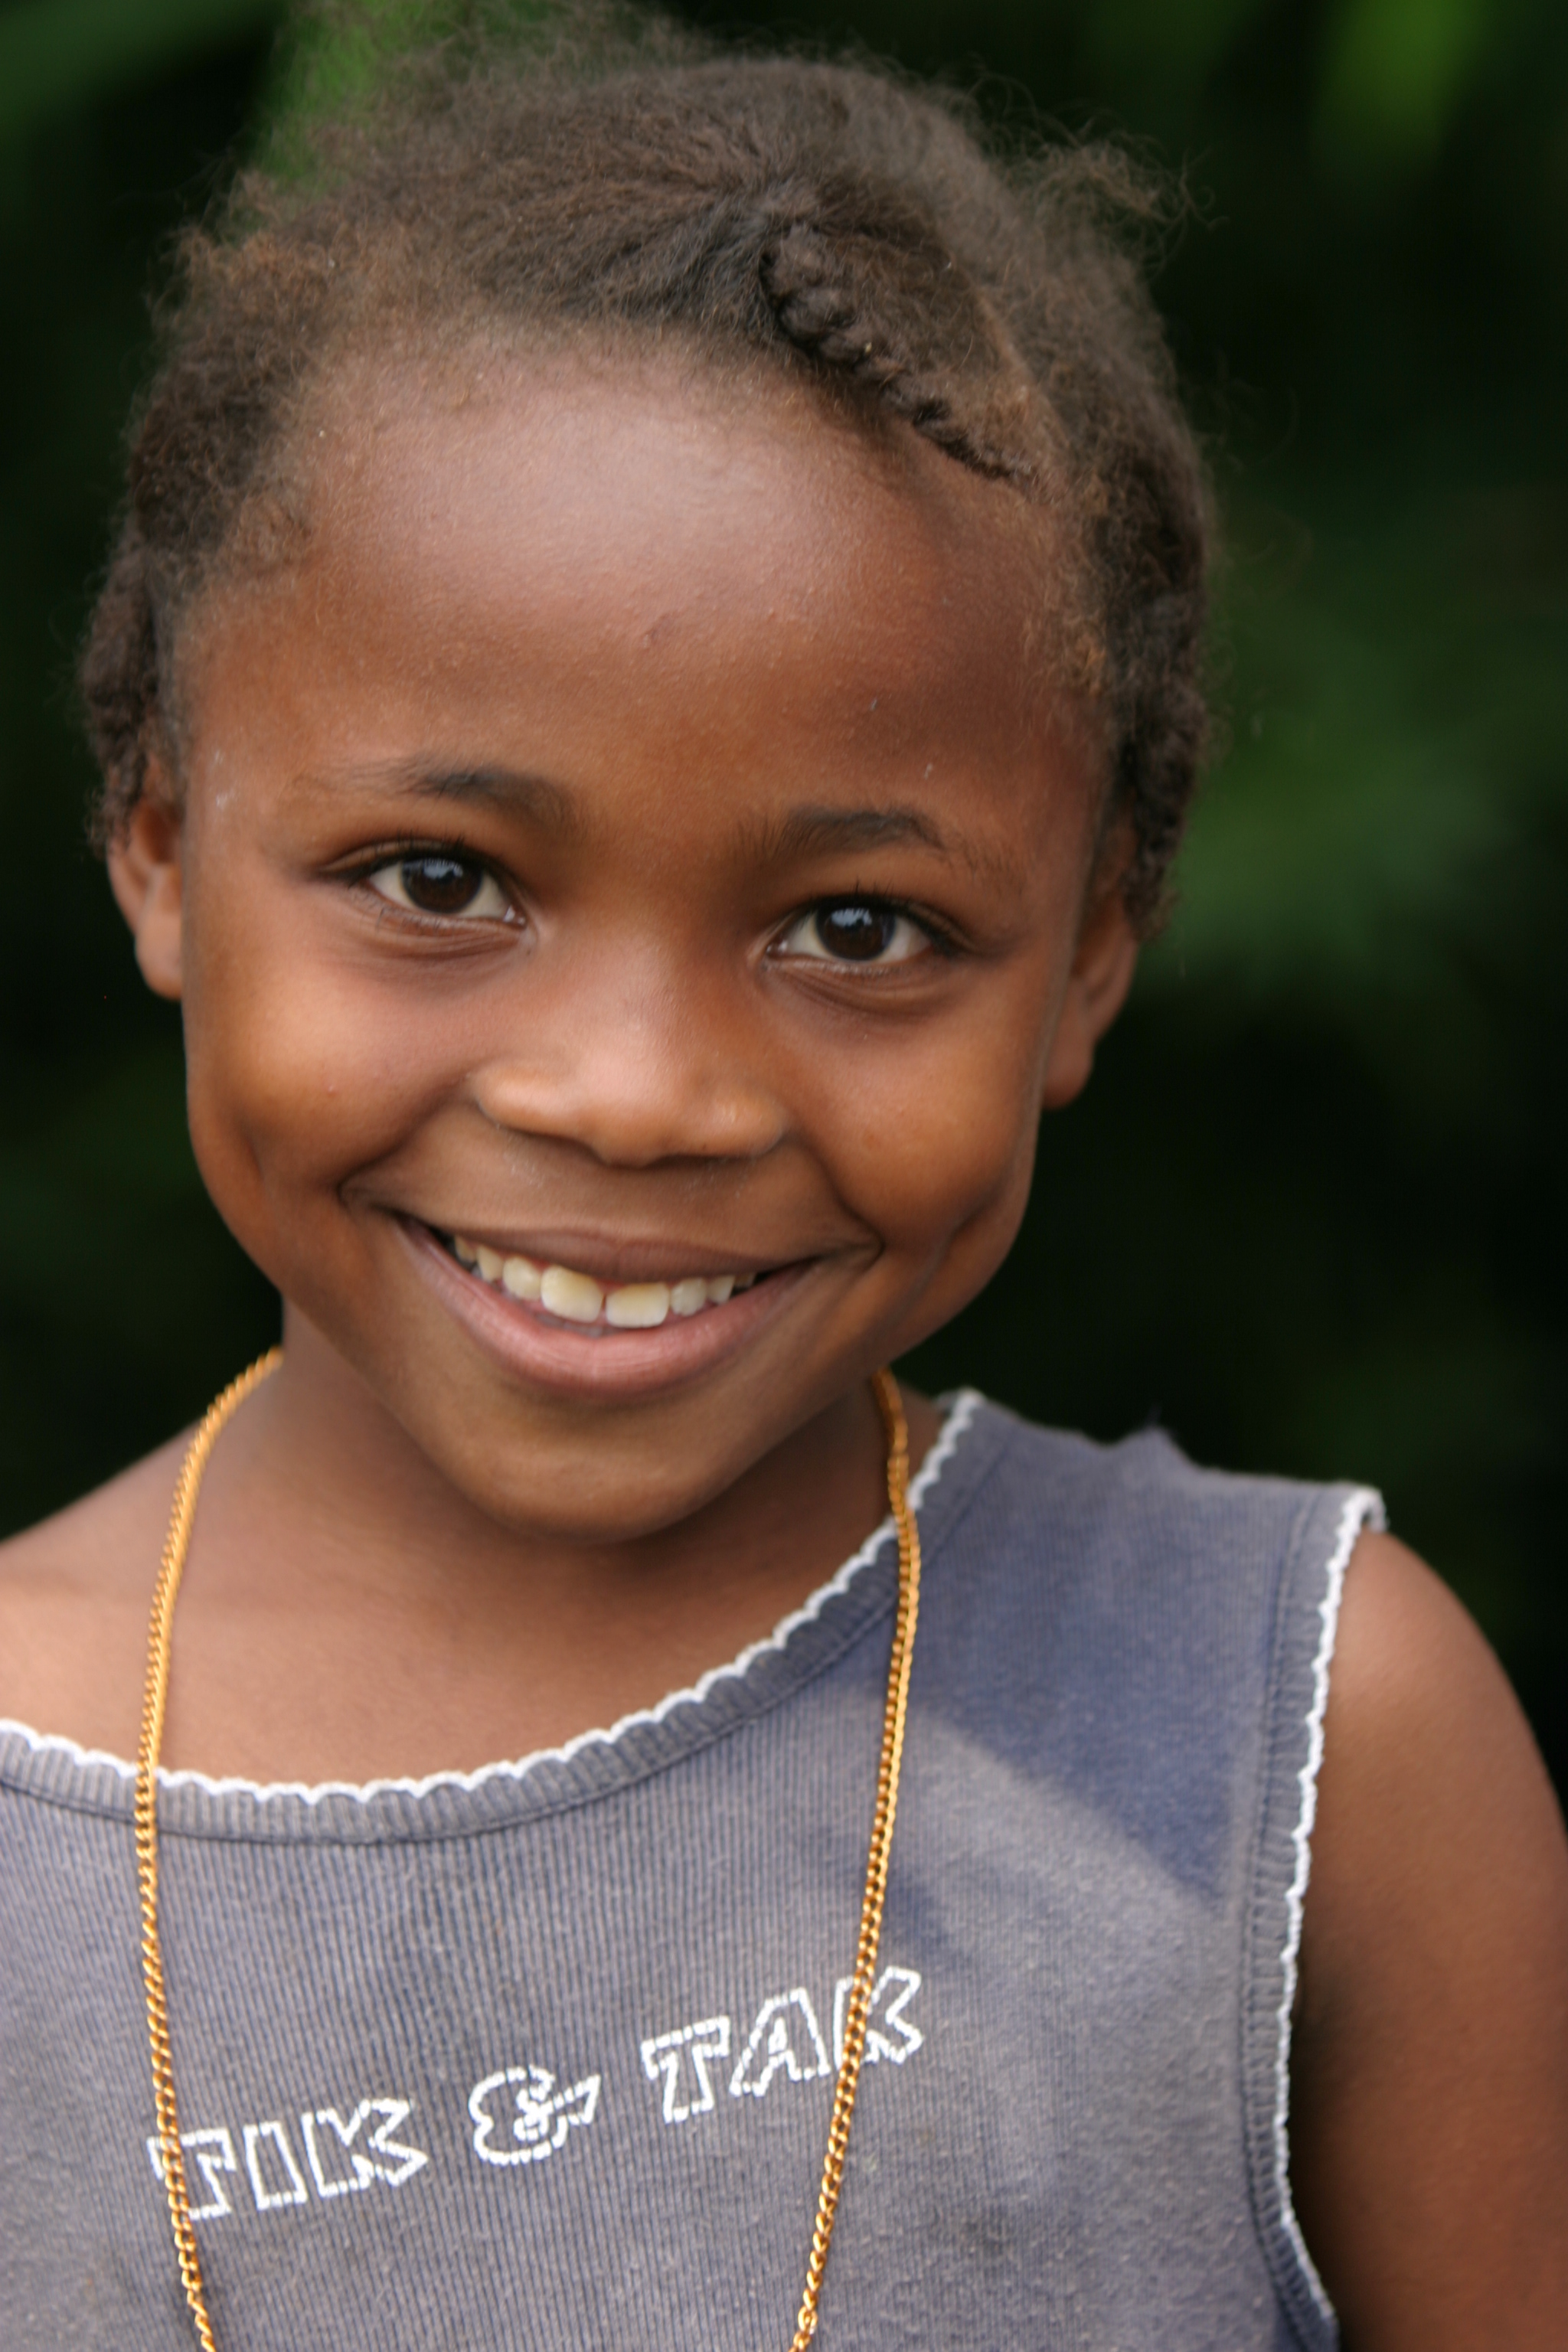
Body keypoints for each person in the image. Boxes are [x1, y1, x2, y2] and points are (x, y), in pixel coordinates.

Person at [1, 8, 1563, 2347]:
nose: (636, 1098)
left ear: (1091, 956)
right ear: (155, 843)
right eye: (440, 881)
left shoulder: (1291, 1737)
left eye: (857, 931)